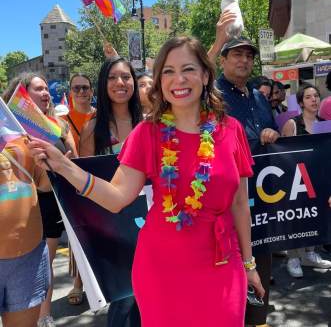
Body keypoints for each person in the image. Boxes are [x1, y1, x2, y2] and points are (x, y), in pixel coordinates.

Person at [29, 36, 264, 327]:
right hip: (161, 269)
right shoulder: (147, 134)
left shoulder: (231, 130)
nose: (178, 79)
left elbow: (240, 204)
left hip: (222, 265)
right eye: (168, 71)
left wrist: (249, 264)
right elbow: (116, 196)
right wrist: (64, 166)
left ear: (205, 75)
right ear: (159, 81)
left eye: (188, 69)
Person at [208, 12, 279, 327]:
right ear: (223, 60)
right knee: (225, 276)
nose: (244, 60)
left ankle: (257, 320)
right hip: (223, 202)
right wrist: (218, 39)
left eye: (249, 55)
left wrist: (272, 134)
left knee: (259, 268)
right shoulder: (212, 95)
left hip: (260, 200)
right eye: (237, 53)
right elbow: (193, 76)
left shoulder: (260, 98)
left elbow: (273, 133)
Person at [3, 73, 78, 327]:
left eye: (47, 88)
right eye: (39, 89)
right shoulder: (12, 129)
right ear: (21, 93)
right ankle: (45, 316)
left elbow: (53, 178)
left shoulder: (47, 127)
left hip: (56, 209)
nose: (46, 93)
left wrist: (60, 165)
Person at [79, 56, 142, 327]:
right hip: (114, 231)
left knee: (154, 299)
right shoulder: (93, 129)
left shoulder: (148, 124)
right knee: (125, 303)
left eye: (126, 77)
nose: (120, 83)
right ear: (103, 84)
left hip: (149, 225)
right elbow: (84, 184)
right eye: (113, 77)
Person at [282, 83, 331, 277]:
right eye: (309, 97)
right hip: (296, 181)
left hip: (318, 179)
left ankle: (310, 254)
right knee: (297, 218)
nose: (314, 100)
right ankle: (293, 258)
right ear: (301, 102)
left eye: (316, 96)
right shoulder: (292, 124)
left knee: (315, 216)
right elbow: (283, 155)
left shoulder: (325, 124)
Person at [61, 73, 96, 305]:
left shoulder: (101, 116)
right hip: (75, 182)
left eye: (85, 88)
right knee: (78, 232)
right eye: (77, 88)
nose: (82, 92)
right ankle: (78, 284)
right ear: (70, 92)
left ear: (92, 91)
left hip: (100, 178)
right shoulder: (62, 120)